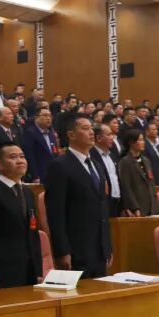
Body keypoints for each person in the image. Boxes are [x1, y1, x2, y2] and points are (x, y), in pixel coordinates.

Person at [44, 115, 112, 278]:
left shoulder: (96, 165)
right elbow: (56, 212)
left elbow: (102, 207)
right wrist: (62, 251)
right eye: (85, 128)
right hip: (76, 249)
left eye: (92, 129)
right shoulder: (60, 165)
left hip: (99, 249)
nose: (91, 132)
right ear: (71, 135)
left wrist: (107, 246)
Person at [0, 143, 43, 288]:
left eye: (22, 157)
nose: (20, 161)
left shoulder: (28, 192)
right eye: (13, 157)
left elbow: (33, 233)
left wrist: (38, 270)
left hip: (29, 269)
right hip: (4, 270)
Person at [118, 130, 159, 217]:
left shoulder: (146, 160)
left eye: (143, 140)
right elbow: (126, 187)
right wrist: (135, 208)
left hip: (152, 207)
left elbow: (151, 183)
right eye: (140, 140)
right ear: (131, 142)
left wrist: (156, 206)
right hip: (138, 208)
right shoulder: (125, 162)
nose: (143, 142)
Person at [21, 107, 59, 183]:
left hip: (52, 174)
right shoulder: (30, 133)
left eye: (50, 116)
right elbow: (29, 156)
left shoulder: (51, 134)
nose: (48, 118)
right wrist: (35, 176)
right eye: (45, 115)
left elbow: (54, 153)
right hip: (39, 175)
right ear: (36, 118)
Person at [90, 124, 121, 216]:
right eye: (109, 134)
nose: (112, 138)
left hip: (116, 201)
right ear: (98, 138)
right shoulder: (91, 156)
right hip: (102, 202)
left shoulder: (112, 155)